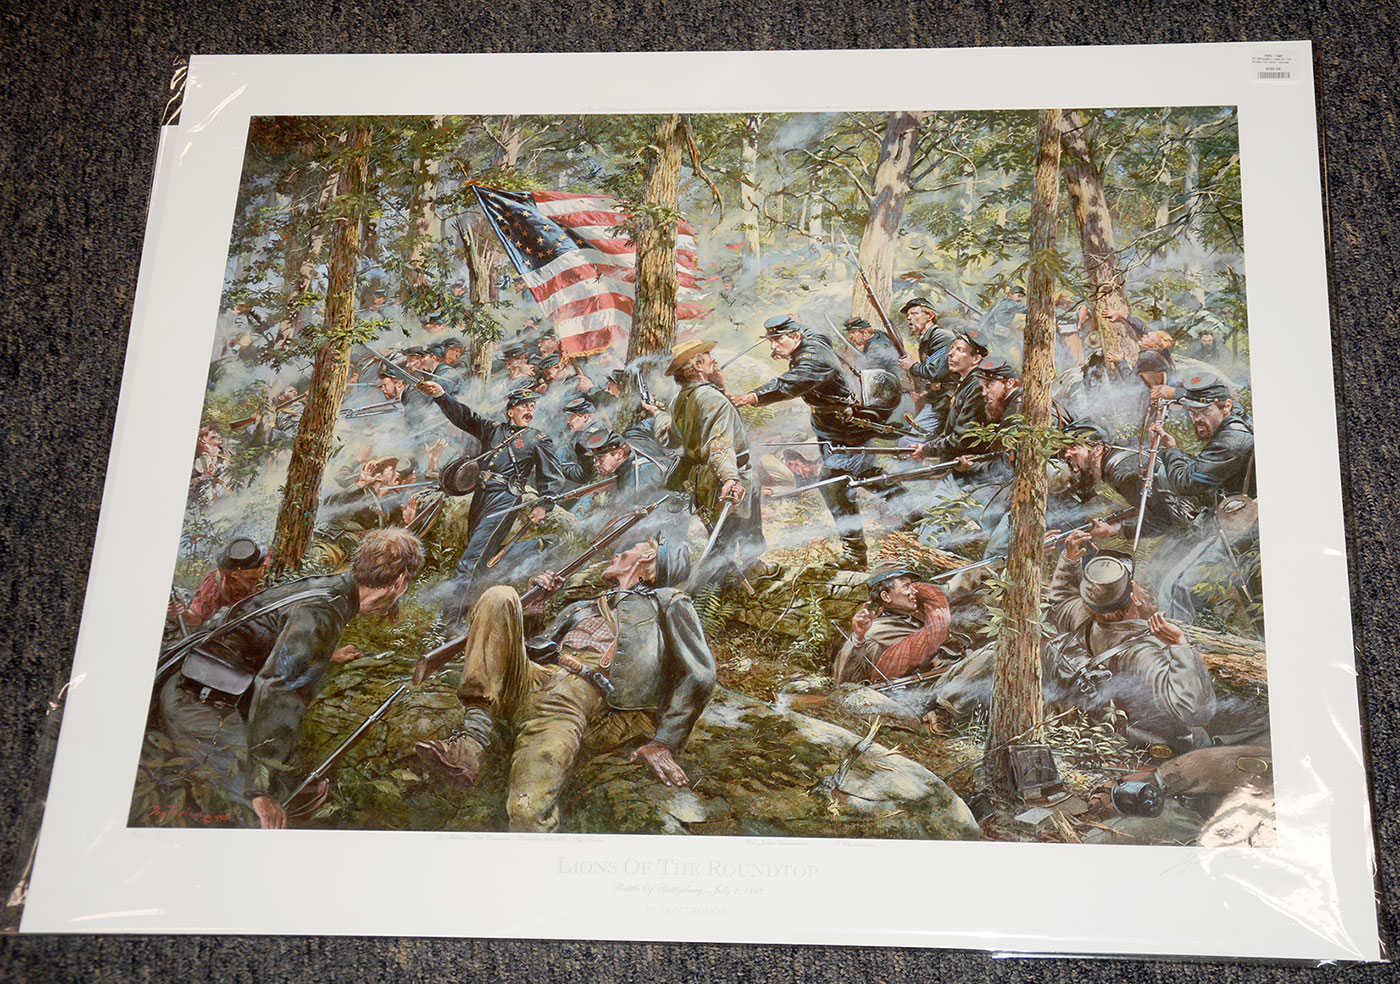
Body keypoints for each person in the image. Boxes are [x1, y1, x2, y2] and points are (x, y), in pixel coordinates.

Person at [414, 538, 715, 833]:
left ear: (648, 557)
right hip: (536, 678)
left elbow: (699, 674)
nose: (616, 554)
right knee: (500, 596)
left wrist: (665, 741)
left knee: (526, 812)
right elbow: (533, 649)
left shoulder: (668, 601)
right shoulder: (582, 606)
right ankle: (472, 741)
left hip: (579, 698)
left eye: (628, 550)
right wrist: (534, 609)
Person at [158, 528, 424, 828]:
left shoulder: (329, 590)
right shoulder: (323, 610)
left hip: (212, 686)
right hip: (197, 702)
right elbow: (281, 692)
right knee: (260, 815)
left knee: (304, 794)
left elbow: (269, 641)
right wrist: (260, 789)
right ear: (400, 582)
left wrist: (324, 655)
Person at [729, 315, 909, 568]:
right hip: (830, 428)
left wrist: (752, 397)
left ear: (796, 337)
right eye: (771, 341)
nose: (773, 347)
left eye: (778, 340)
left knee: (834, 486)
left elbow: (790, 383)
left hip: (846, 431)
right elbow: (810, 331)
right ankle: (915, 512)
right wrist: (797, 322)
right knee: (866, 474)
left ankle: (855, 555)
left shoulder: (815, 360)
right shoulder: (812, 338)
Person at [1044, 527, 1219, 752]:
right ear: (1133, 599)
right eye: (1133, 583)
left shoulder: (1083, 617)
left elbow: (1062, 600)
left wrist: (1069, 561)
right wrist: (1180, 646)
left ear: (1089, 605)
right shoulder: (1143, 653)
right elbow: (1194, 712)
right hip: (1153, 747)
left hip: (1105, 731)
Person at [417, 379, 566, 621]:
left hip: (505, 500)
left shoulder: (538, 439)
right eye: (524, 406)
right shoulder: (493, 430)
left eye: (532, 407)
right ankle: (535, 547)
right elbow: (465, 418)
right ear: (511, 411)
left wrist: (544, 505)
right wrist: (442, 396)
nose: (529, 410)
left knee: (471, 561)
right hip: (481, 496)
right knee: (483, 556)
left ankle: (449, 623)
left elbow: (552, 475)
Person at [651, 338, 769, 585]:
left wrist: (659, 415)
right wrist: (730, 479)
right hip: (723, 476)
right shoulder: (711, 399)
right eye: (707, 357)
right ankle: (708, 594)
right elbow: (719, 444)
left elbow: (669, 437)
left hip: (702, 478)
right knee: (724, 539)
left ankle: (752, 567)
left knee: (740, 519)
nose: (713, 360)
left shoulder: (679, 399)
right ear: (697, 366)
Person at [1147, 372, 1258, 623]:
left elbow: (1186, 483)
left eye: (1205, 411)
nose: (1197, 419)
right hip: (1236, 518)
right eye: (1192, 411)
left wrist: (1171, 450)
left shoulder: (1230, 443)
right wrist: (1178, 395)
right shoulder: (1236, 417)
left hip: (1242, 529)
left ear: (1226, 407)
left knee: (1176, 589)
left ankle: (1178, 641)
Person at [833, 564, 952, 685]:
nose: (915, 591)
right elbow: (844, 681)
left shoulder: (918, 618)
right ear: (886, 596)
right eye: (906, 586)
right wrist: (858, 638)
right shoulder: (875, 633)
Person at [168, 537, 269, 631]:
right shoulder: (215, 584)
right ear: (235, 575)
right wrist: (182, 613)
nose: (263, 567)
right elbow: (197, 618)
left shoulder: (269, 565)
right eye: (250, 580)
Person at [896, 297, 956, 435]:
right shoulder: (928, 339)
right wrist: (923, 391)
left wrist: (912, 366)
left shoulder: (942, 337)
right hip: (936, 398)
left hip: (945, 401)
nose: (909, 318)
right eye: (908, 315)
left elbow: (934, 372)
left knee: (910, 440)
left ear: (930, 316)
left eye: (914, 313)